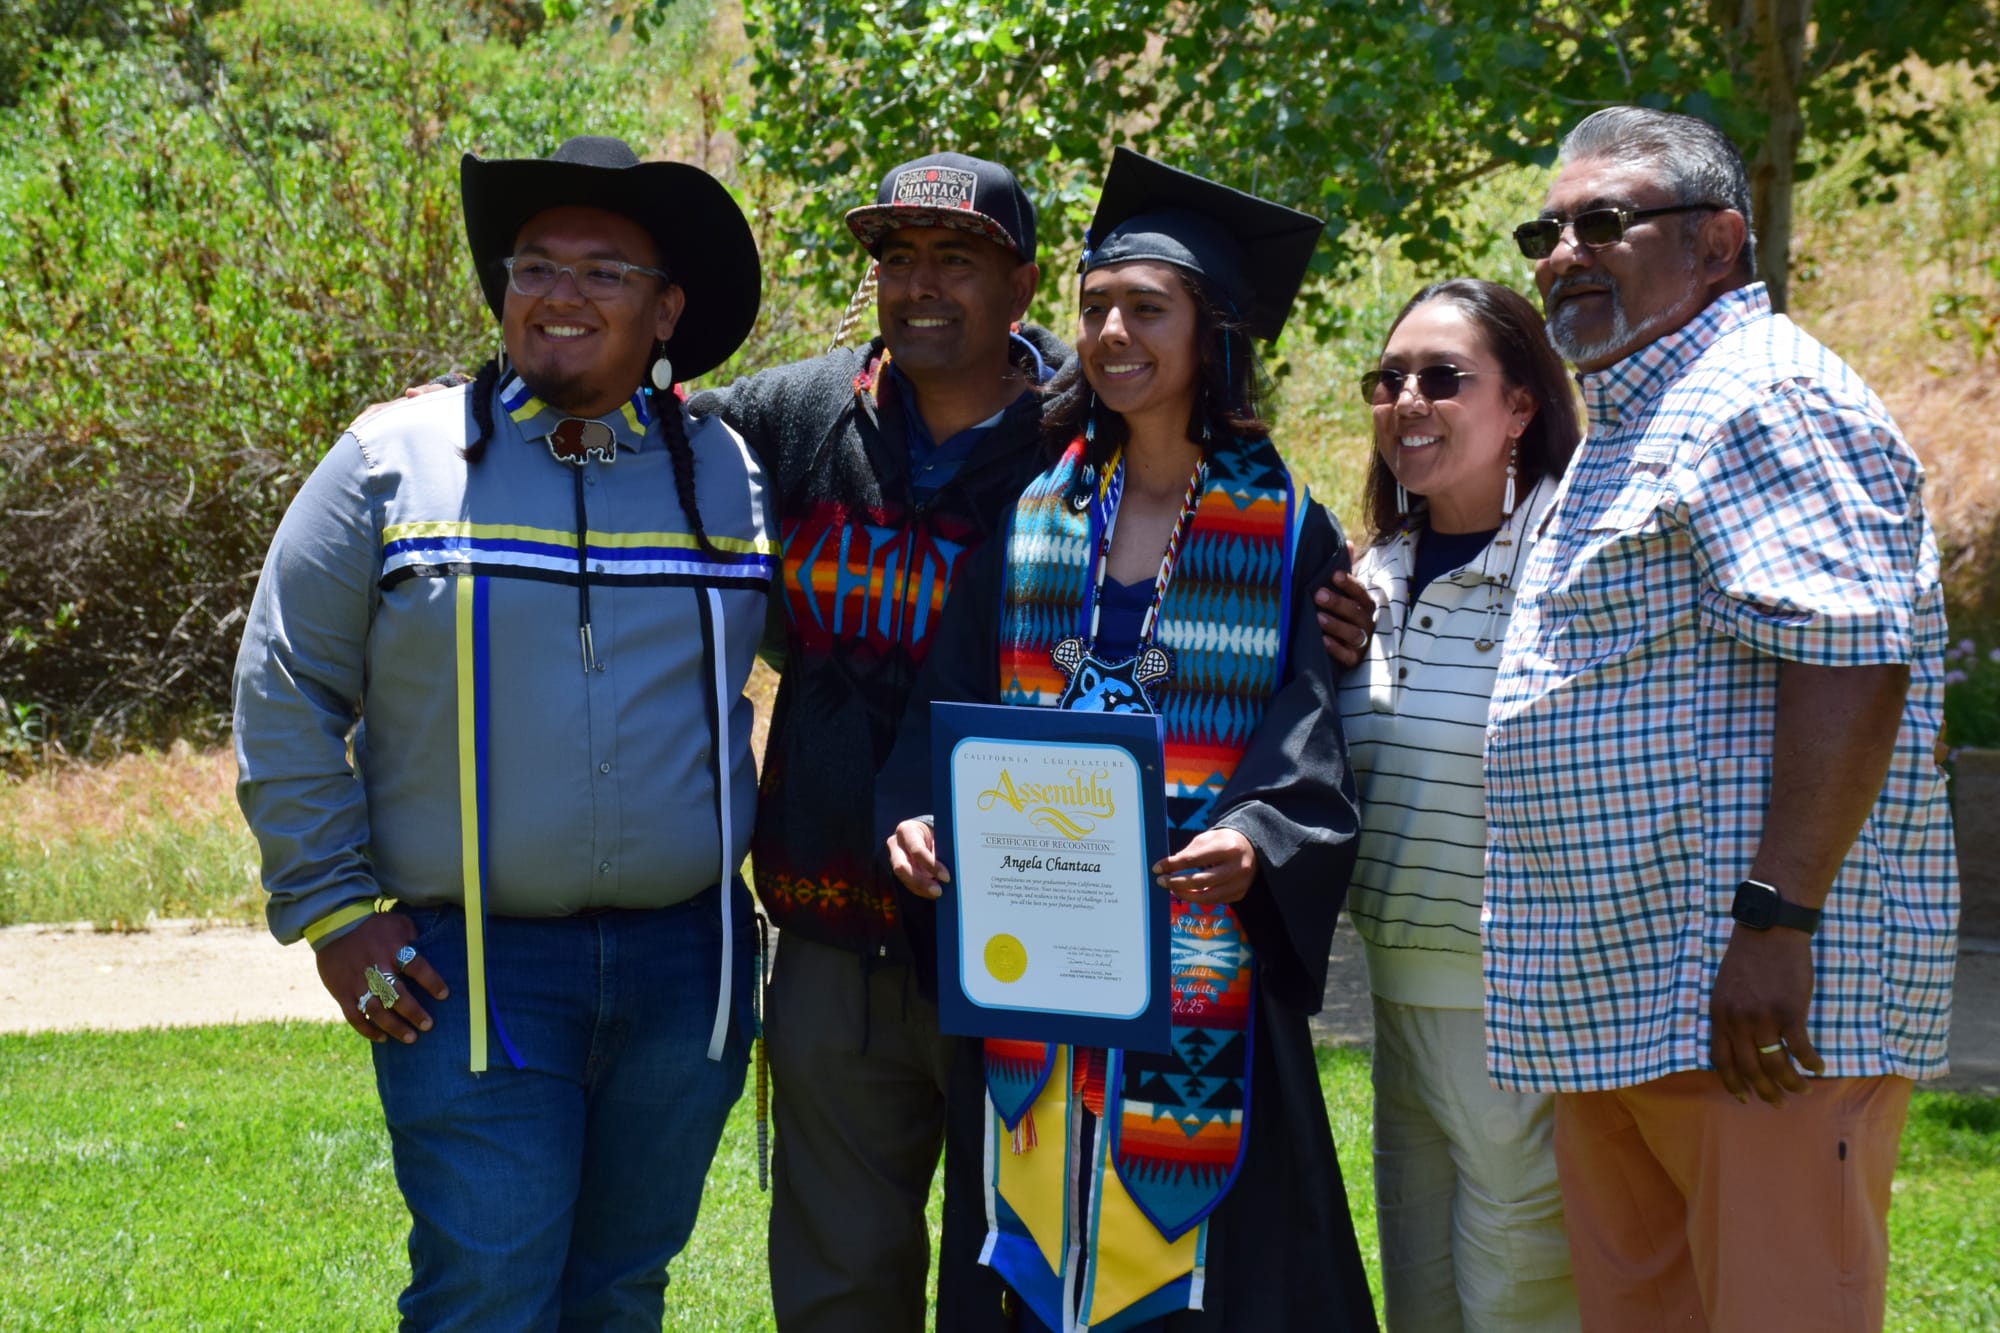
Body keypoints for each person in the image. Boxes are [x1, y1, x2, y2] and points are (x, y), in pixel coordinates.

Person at [232, 135, 772, 1329]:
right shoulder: (393, 459)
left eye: (601, 271)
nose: (558, 295)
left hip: (691, 968)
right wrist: (333, 910)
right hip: (466, 968)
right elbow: (284, 686)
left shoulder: (727, 474)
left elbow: (857, 640)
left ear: (667, 307)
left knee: (621, 1292)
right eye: (533, 266)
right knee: (487, 1289)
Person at [880, 148, 1378, 1333]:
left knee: (1207, 1270)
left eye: (1145, 309)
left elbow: (1308, 725)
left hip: (1196, 957)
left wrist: (1260, 834)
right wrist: (915, 815)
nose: (1110, 333)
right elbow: (948, 699)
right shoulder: (1037, 514)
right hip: (1034, 953)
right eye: (1095, 307)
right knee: (1027, 1239)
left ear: (1214, 331)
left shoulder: (1283, 528)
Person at [1483, 106, 1958, 1331]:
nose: (1561, 253)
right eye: (1545, 229)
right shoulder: (1635, 415)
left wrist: (1775, 924)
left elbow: (1852, 662)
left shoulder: (1763, 395)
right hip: (1631, 1009)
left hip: (1752, 1014)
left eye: (1603, 222)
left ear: (1718, 243)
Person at [687, 152, 1071, 1332]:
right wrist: (470, 401)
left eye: (954, 258)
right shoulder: (793, 419)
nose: (918, 285)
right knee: (836, 1284)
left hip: (1031, 937)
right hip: (830, 934)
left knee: (1024, 1277)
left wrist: (1336, 599)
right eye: (895, 258)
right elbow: (625, 427)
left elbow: (1222, 565)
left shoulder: (1091, 437)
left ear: (1021, 280)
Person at [1337, 278, 1582, 1331]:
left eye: (1443, 378)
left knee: (1517, 1303)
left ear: (1519, 405)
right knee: (1422, 1303)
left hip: (1518, 1014)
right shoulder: (1366, 580)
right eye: (1387, 380)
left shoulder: (1574, 574)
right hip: (1394, 994)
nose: (1407, 402)